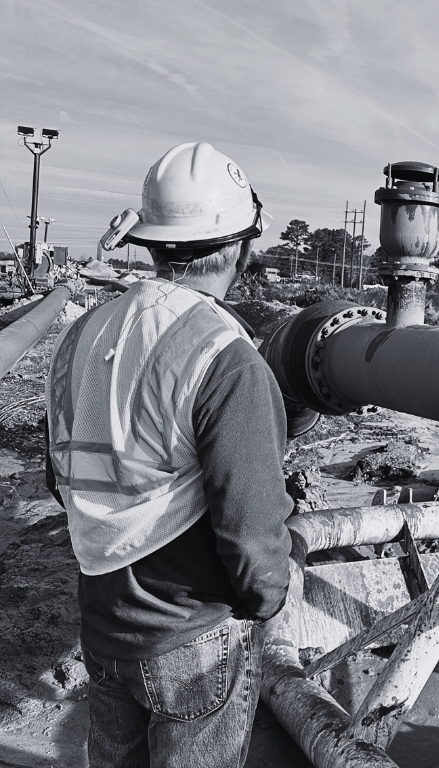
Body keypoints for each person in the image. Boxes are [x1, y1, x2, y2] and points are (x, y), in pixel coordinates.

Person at [45, 142, 294, 767]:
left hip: (103, 625)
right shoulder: (226, 356)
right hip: (190, 634)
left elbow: (62, 477)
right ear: (240, 244)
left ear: (155, 240)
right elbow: (251, 527)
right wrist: (267, 600)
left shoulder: (83, 332)